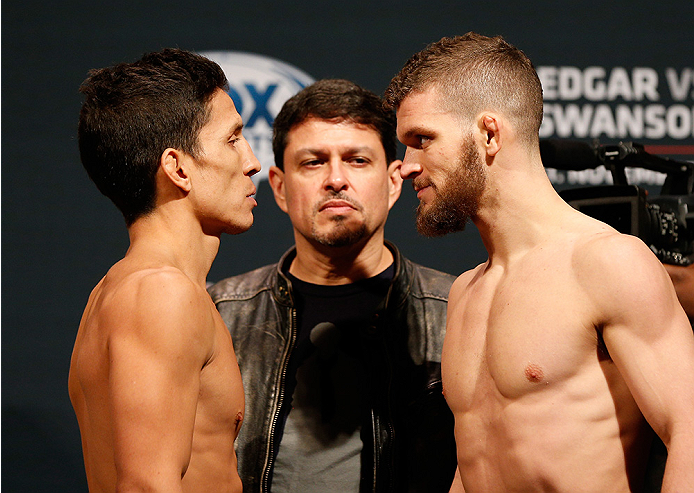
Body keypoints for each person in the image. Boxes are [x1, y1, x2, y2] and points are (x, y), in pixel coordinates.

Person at [384, 33, 694, 493]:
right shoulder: (465, 293)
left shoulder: (606, 263)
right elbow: (478, 460)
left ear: (489, 134)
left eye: (422, 140)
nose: (406, 165)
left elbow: (688, 431)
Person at [209, 79, 460, 493]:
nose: (336, 179)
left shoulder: (458, 309)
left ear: (395, 182)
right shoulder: (219, 312)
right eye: (313, 162)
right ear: (278, 186)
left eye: (358, 160)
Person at [68, 48, 260, 492]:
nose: (251, 161)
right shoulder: (160, 293)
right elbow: (146, 485)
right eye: (232, 139)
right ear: (178, 168)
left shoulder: (122, 289)